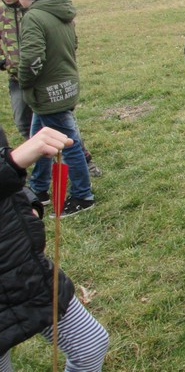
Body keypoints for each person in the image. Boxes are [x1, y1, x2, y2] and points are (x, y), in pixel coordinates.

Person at [0, 127, 109, 371]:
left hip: (19, 259)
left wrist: (28, 202)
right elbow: (7, 164)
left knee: (90, 344)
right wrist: (12, 163)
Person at [0, 0, 102, 179]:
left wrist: (29, 79)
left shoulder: (36, 15)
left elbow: (36, 56)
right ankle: (39, 185)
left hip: (41, 82)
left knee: (64, 133)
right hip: (25, 80)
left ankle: (82, 190)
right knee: (32, 128)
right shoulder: (8, 14)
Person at [13, 0, 95, 217]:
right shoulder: (61, 11)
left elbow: (32, 59)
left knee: (68, 144)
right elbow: (73, 44)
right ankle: (39, 189)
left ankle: (83, 195)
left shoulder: (33, 17)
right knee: (39, 139)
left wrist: (24, 81)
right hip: (66, 85)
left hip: (48, 93)